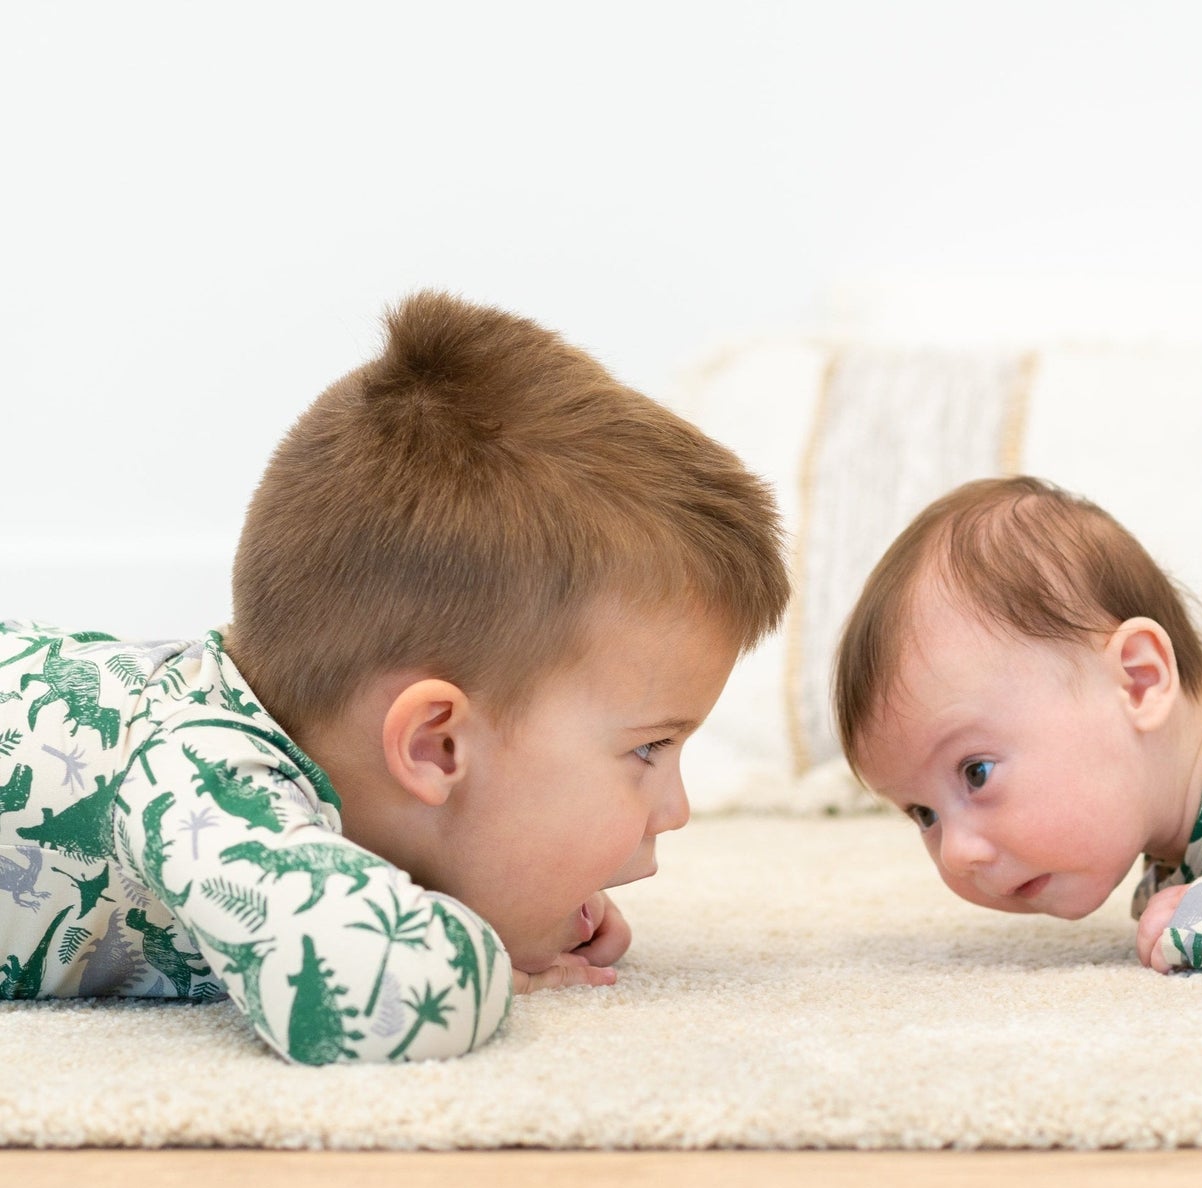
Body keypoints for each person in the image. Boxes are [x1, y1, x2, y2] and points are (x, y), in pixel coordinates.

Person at [0, 291, 789, 1061]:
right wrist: (476, 940)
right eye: (648, 748)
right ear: (436, 745)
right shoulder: (199, 776)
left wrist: (505, 891)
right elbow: (376, 990)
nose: (677, 809)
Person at [834, 474, 1202, 990]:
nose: (957, 853)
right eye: (923, 813)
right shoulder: (1183, 845)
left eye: (976, 772)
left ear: (1138, 682)